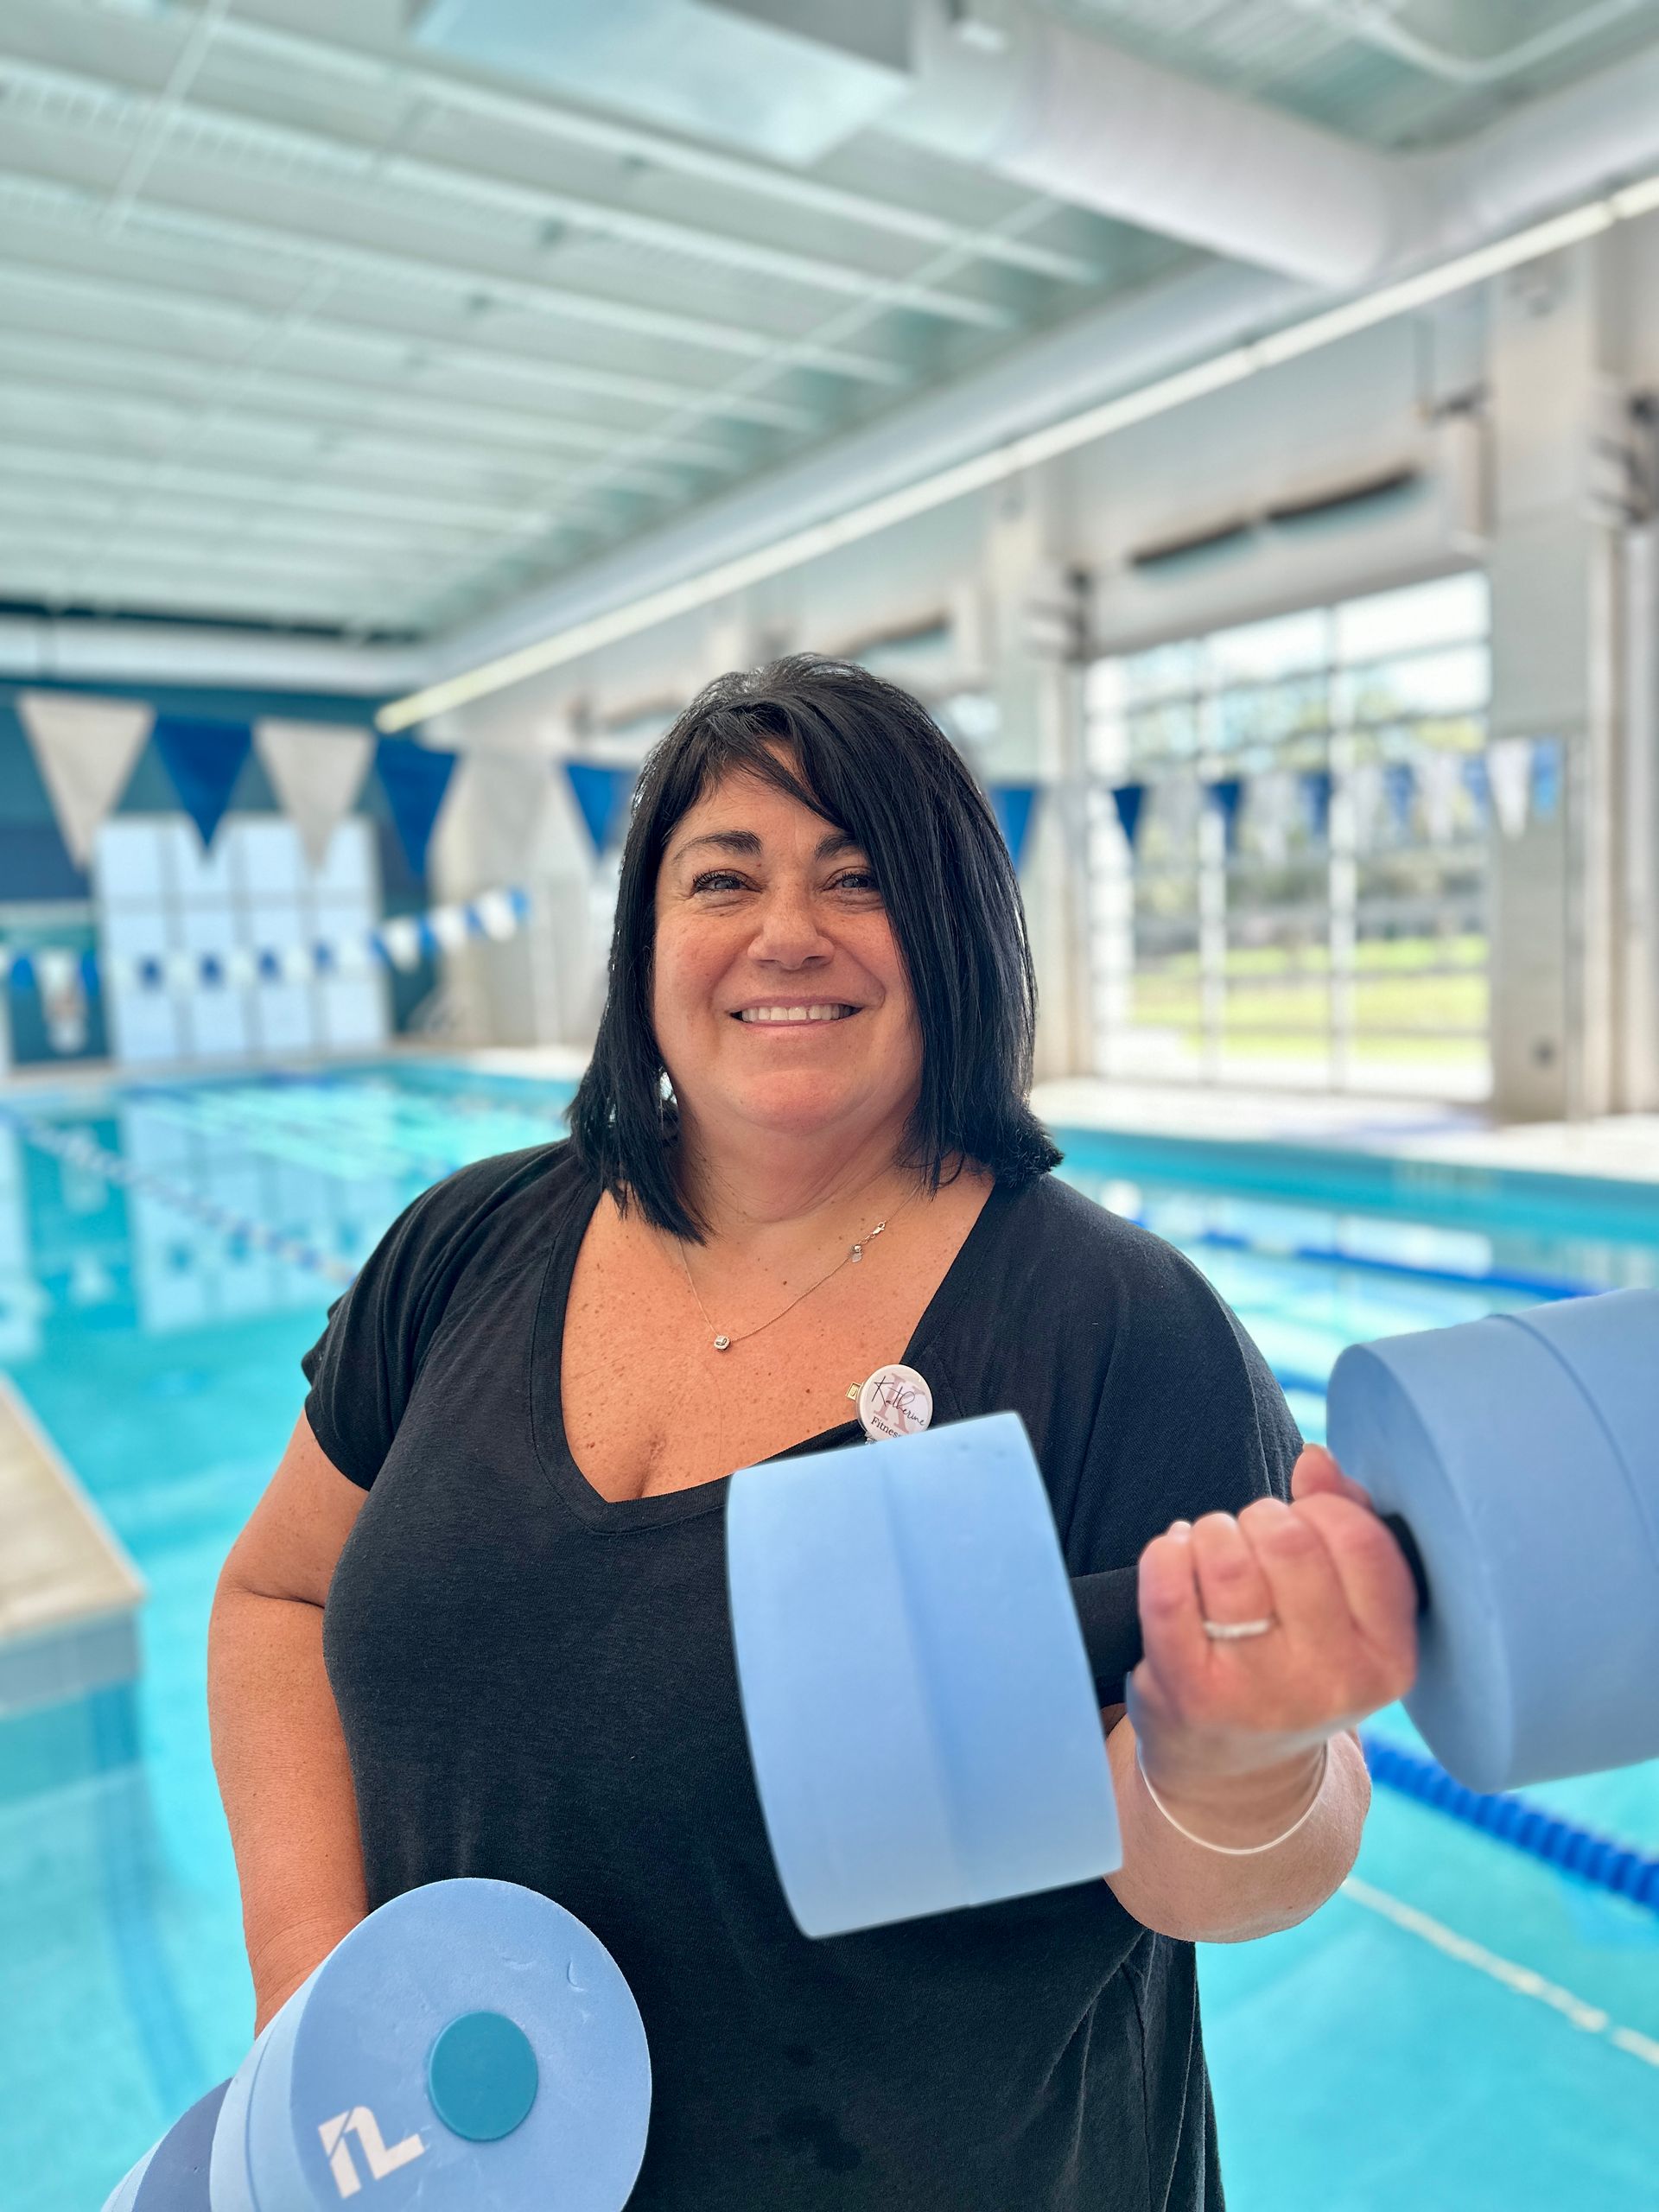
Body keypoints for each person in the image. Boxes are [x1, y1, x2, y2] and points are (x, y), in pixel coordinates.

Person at [208, 656, 1416, 2211]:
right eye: (725, 877)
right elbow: (276, 1597)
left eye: (860, 877)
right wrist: (320, 2019)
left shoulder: (1114, 1323)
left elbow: (1227, 1876)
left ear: (958, 934)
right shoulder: (468, 1244)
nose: (787, 932)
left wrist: (1241, 1761)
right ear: (649, 938)